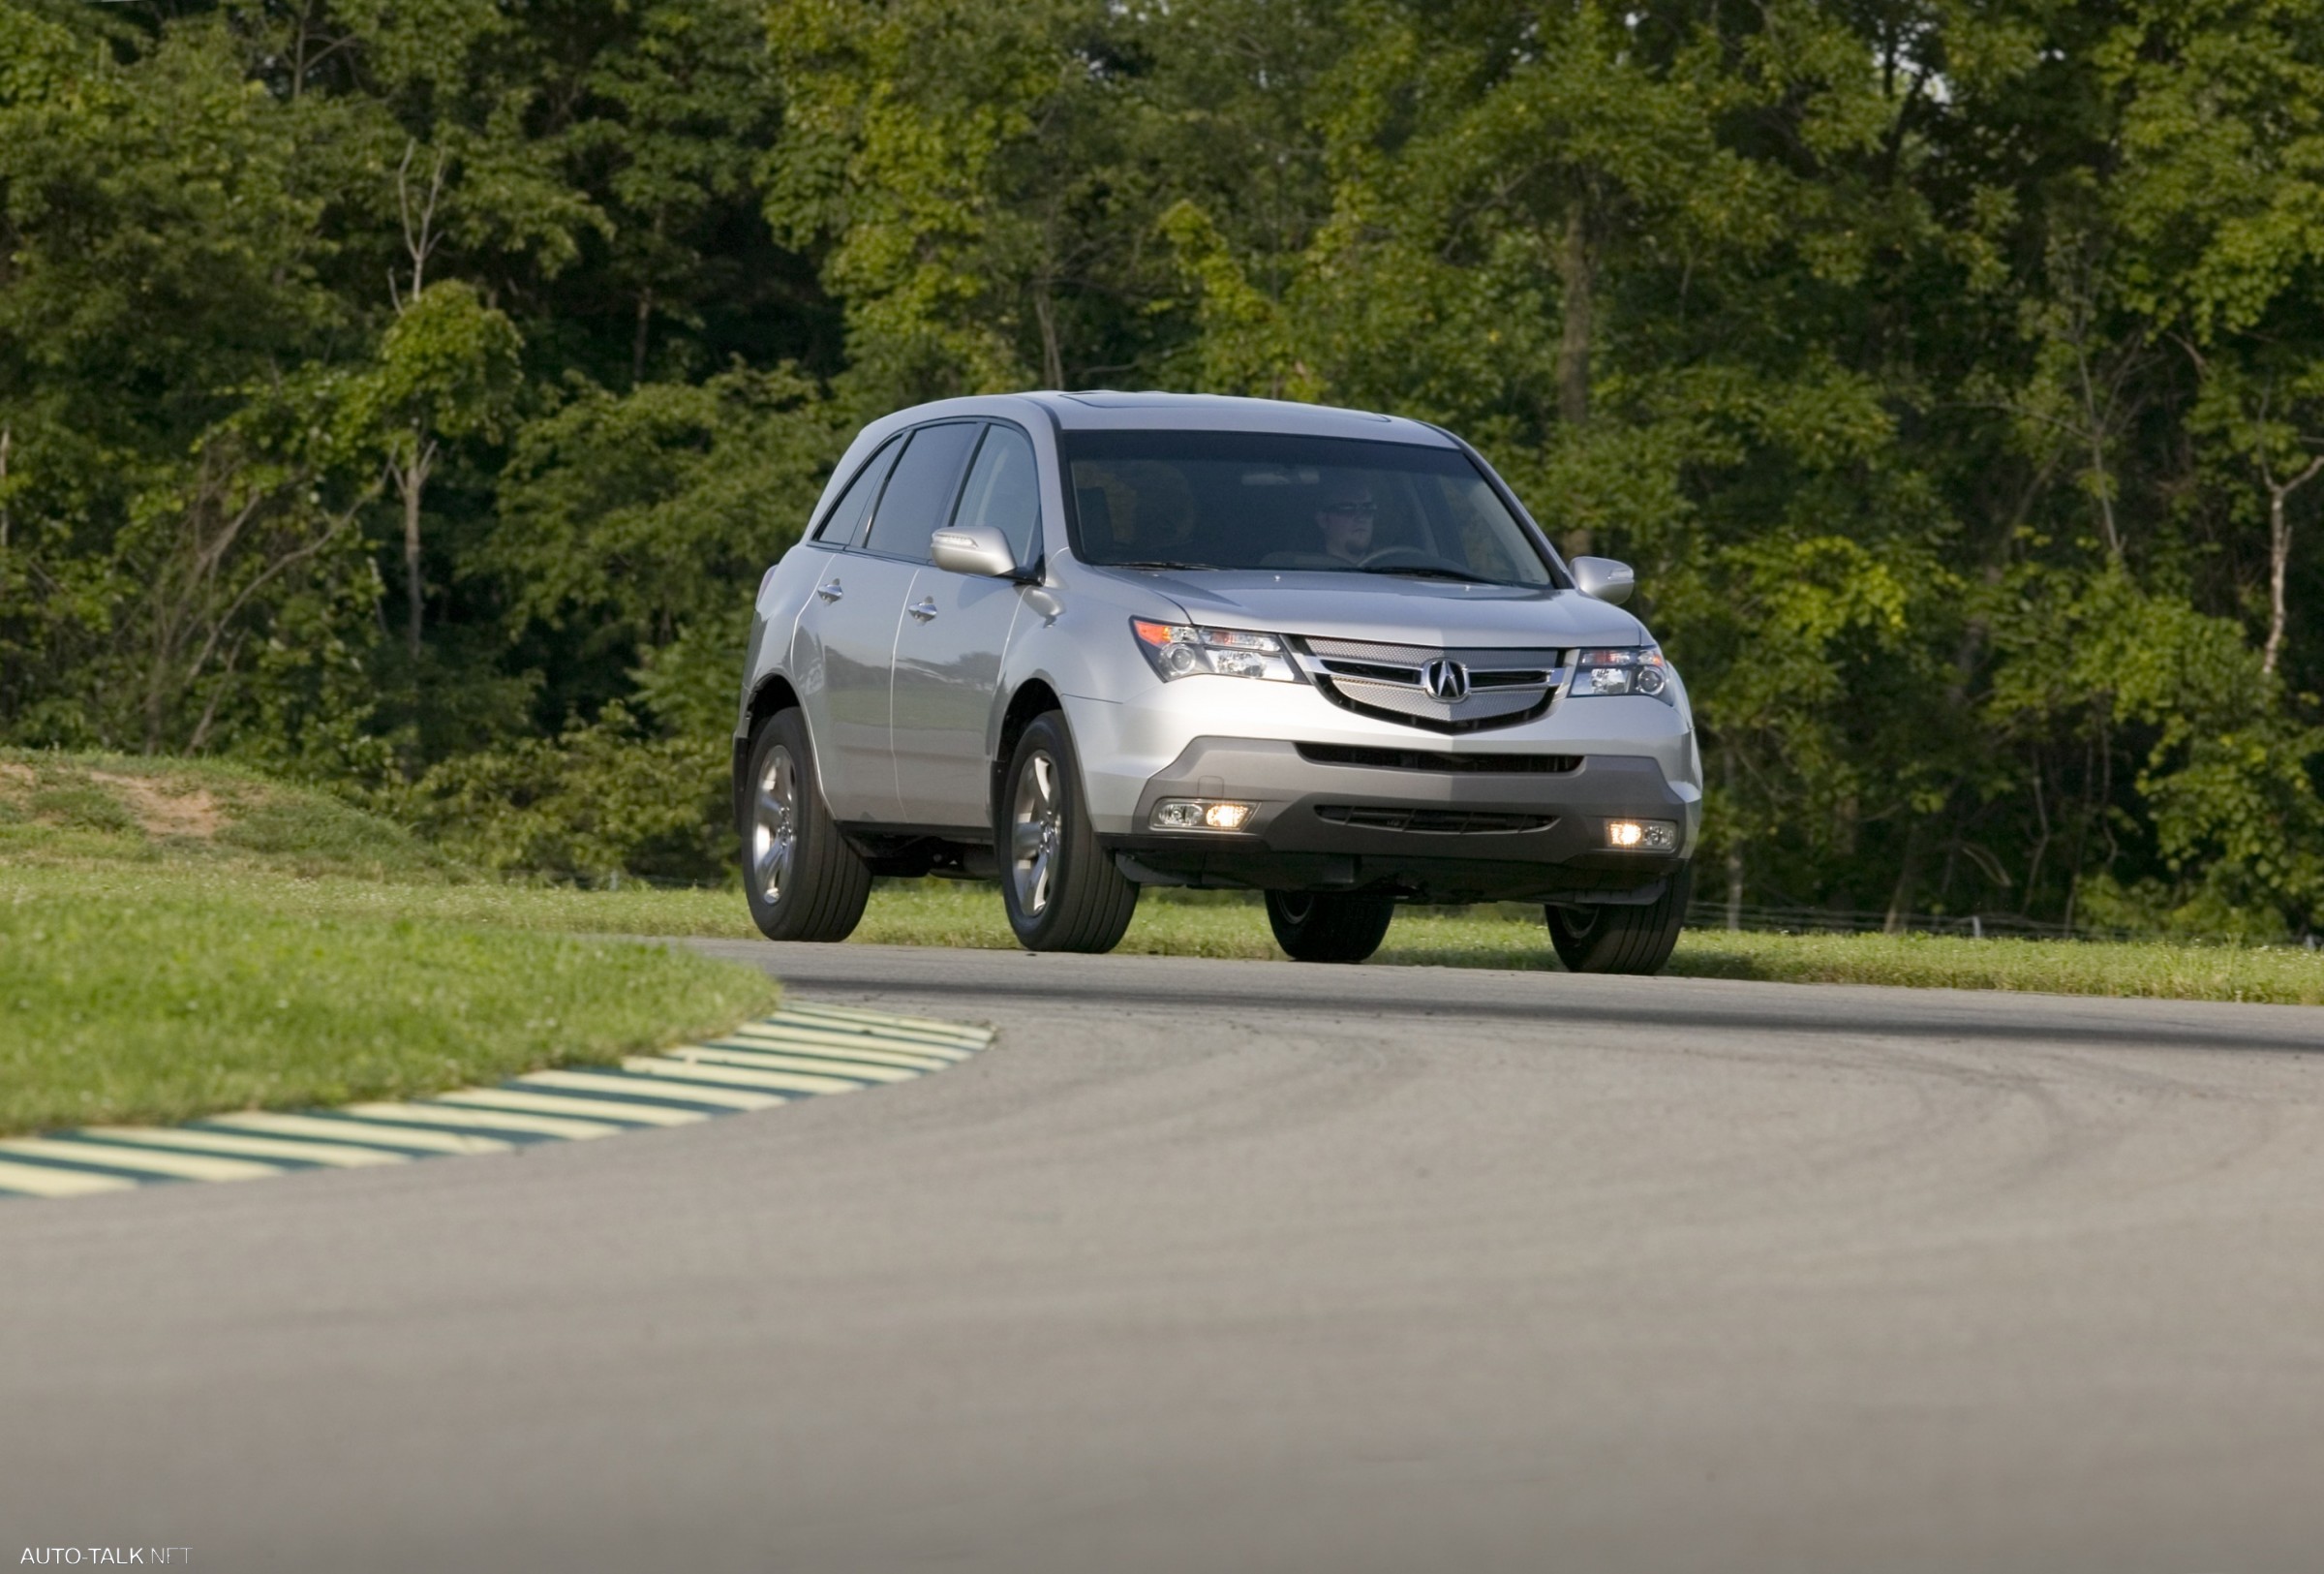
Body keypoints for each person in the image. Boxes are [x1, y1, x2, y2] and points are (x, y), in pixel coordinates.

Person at [1315, 482, 1376, 565]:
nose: (1361, 518)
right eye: (1348, 509)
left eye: (1368, 508)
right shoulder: (1304, 572)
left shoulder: (1393, 565)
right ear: (1323, 520)